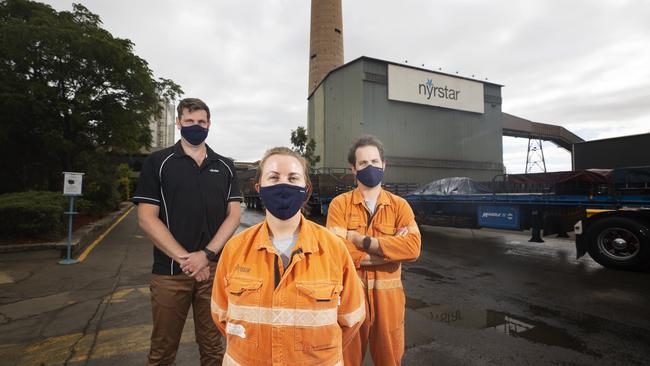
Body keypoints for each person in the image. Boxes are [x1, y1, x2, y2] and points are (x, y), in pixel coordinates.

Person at [211, 147, 365, 365]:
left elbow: (352, 318)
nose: (283, 185)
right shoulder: (234, 249)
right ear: (259, 188)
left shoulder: (334, 248)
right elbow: (221, 315)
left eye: (293, 178)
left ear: (306, 189)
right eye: (273, 177)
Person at [133, 98, 242, 365]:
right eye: (189, 121)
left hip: (214, 272)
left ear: (209, 124)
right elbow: (147, 219)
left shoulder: (225, 165)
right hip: (171, 272)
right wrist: (187, 260)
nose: (196, 126)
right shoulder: (158, 162)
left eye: (201, 122)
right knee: (162, 352)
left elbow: (234, 216)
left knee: (214, 349)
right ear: (179, 122)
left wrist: (206, 255)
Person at [326, 135, 421, 366]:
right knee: (345, 361)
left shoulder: (400, 206)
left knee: (390, 361)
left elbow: (412, 248)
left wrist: (362, 241)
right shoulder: (339, 205)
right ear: (353, 169)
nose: (370, 167)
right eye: (363, 163)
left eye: (375, 162)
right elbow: (336, 253)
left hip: (389, 305)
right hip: (349, 300)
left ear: (384, 164)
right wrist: (389, 251)